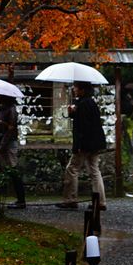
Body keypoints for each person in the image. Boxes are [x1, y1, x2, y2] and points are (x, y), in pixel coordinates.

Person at [56, 81, 107, 210]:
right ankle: (100, 201)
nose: (74, 89)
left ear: (82, 90)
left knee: (72, 169)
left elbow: (82, 127)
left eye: (76, 87)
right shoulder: (90, 103)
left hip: (85, 143)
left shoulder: (83, 104)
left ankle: (70, 199)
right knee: (94, 170)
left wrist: (78, 145)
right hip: (95, 142)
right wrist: (73, 112)